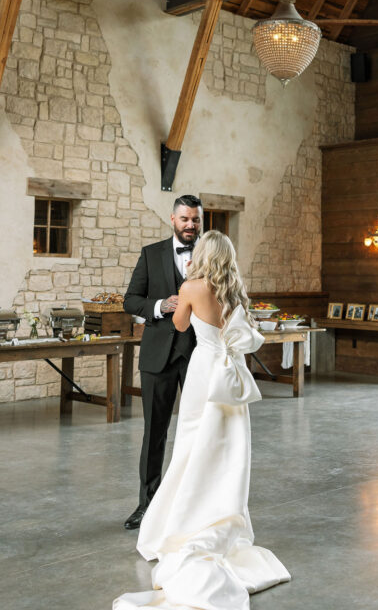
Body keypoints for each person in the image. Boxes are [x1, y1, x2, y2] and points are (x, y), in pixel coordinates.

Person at [114, 231, 290, 610]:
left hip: (204, 373)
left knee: (193, 445)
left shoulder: (191, 286)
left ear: (203, 255)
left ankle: (184, 515)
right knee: (228, 447)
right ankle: (222, 509)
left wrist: (184, 292)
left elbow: (179, 326)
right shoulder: (235, 291)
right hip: (232, 378)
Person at [122, 195, 203, 530]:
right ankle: (147, 505)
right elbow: (131, 300)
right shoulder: (150, 254)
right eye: (184, 219)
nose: (190, 226)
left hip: (199, 355)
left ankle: (196, 507)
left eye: (195, 220)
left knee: (201, 433)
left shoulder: (210, 254)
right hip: (158, 355)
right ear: (172, 219)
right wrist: (160, 306)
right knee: (154, 432)